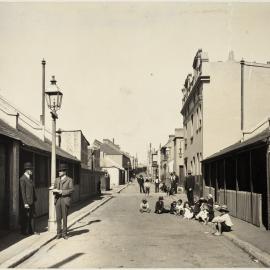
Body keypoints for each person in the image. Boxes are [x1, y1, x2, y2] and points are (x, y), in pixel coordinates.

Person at [53, 163, 74, 239]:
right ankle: (58, 234)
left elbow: (71, 190)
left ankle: (64, 234)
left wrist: (62, 191)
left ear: (64, 172)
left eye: (60, 171)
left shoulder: (69, 180)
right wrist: (54, 190)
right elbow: (54, 188)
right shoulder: (57, 179)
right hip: (58, 199)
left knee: (64, 217)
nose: (59, 172)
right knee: (58, 218)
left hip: (65, 200)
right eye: (59, 171)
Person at [19, 162, 37, 235]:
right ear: (27, 170)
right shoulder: (22, 179)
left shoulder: (30, 179)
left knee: (32, 216)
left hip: (32, 201)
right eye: (31, 169)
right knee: (25, 217)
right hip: (26, 202)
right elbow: (22, 192)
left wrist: (34, 199)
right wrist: (25, 203)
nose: (32, 171)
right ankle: (24, 232)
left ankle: (32, 231)